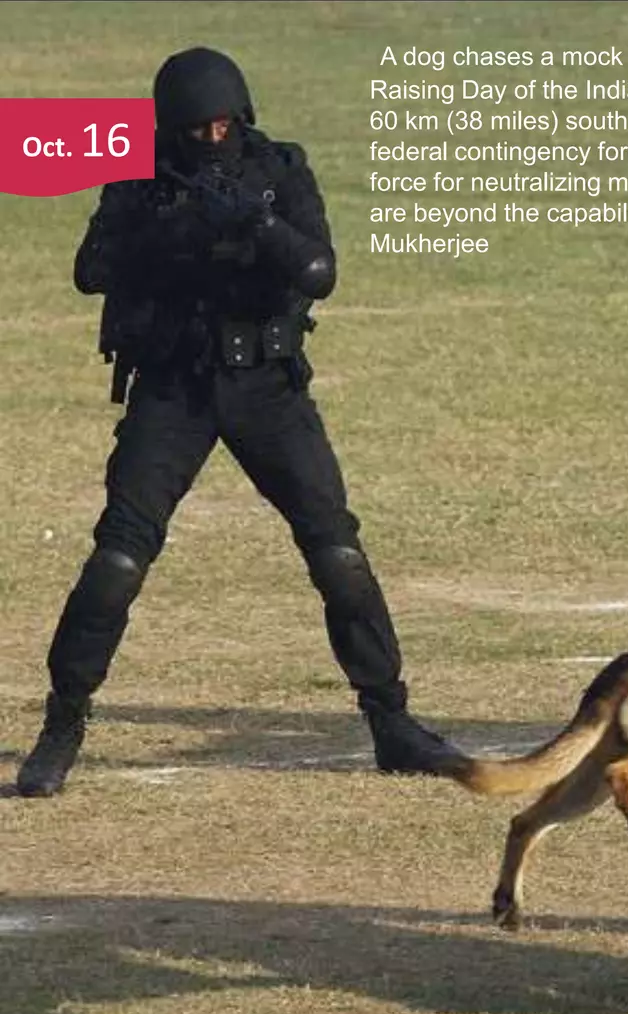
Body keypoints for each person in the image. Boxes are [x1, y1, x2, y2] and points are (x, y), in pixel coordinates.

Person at [14, 46, 457, 798]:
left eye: (224, 124)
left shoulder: (278, 170)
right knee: (119, 557)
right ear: (172, 128)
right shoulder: (138, 174)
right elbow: (91, 269)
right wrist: (178, 225)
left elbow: (320, 271)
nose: (213, 139)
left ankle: (391, 721)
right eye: (197, 130)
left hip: (267, 388)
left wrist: (256, 223)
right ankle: (62, 724)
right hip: (174, 388)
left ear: (243, 116)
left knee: (337, 550)